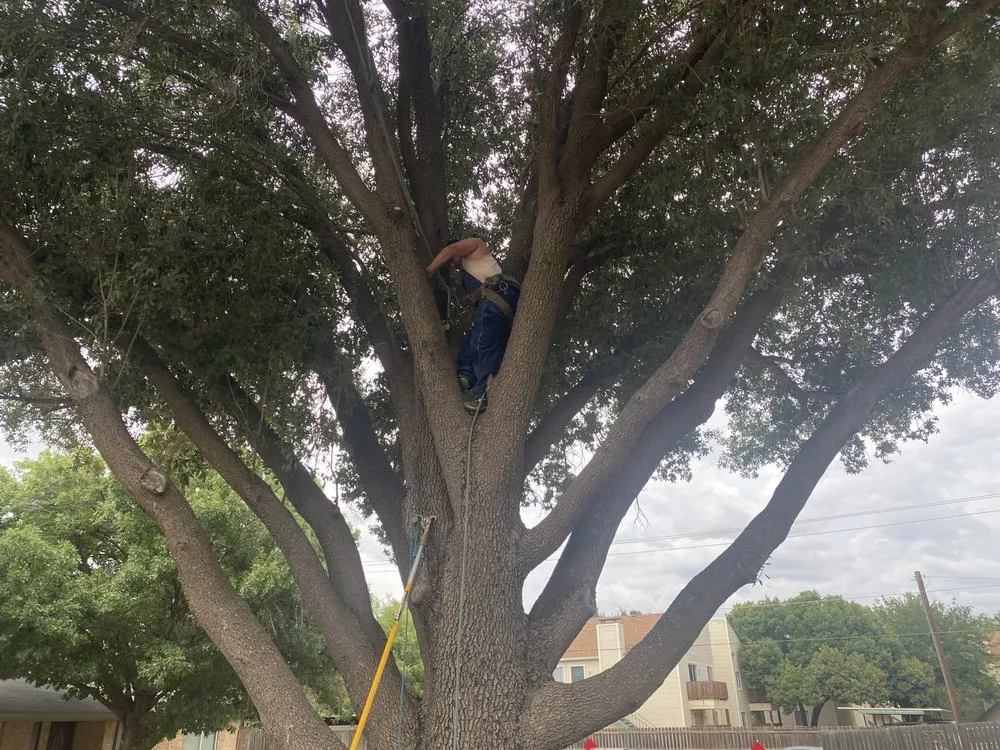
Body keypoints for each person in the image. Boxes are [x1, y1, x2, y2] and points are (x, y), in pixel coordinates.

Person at [425, 237, 520, 413]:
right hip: (493, 304)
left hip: (497, 297)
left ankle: (482, 396)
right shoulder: (472, 272)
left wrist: (430, 270)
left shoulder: (475, 246)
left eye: (453, 261)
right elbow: (465, 298)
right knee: (473, 341)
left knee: (483, 344)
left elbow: (450, 250)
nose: (453, 265)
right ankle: (466, 377)